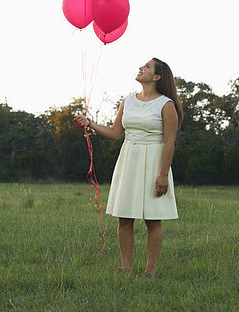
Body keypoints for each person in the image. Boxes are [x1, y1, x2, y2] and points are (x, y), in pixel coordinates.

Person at [74, 57, 183, 278]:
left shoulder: (166, 104)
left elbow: (170, 141)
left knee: (152, 219)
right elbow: (115, 133)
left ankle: (150, 270)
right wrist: (90, 124)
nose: (141, 68)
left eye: (147, 67)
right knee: (124, 218)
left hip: (154, 160)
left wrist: (163, 175)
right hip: (129, 159)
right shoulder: (128, 100)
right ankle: (126, 268)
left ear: (157, 77)